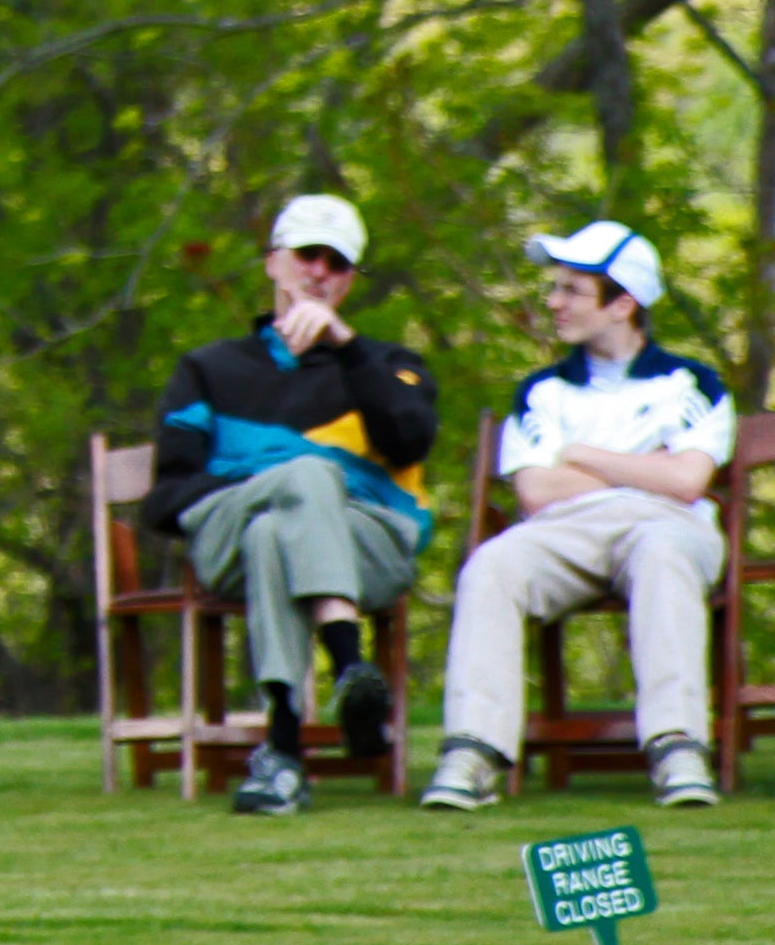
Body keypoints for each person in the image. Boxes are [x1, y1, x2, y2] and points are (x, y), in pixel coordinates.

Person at [145, 195, 440, 817]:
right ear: (274, 262)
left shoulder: (389, 364)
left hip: (368, 547)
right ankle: (349, 663)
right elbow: (166, 496)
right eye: (308, 255)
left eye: (337, 263)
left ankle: (281, 751)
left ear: (351, 280)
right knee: (302, 477)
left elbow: (411, 438)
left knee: (275, 536)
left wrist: (347, 346)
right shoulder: (207, 369)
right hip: (224, 528)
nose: (319, 273)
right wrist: (273, 476)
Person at [424, 222, 732, 813]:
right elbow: (536, 491)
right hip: (563, 532)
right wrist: (644, 463)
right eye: (555, 288)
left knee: (663, 556)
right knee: (491, 564)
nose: (553, 302)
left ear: (623, 304)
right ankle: (474, 751)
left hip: (664, 525)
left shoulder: (691, 383)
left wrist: (583, 454)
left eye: (571, 290)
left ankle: (678, 748)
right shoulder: (542, 391)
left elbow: (687, 481)